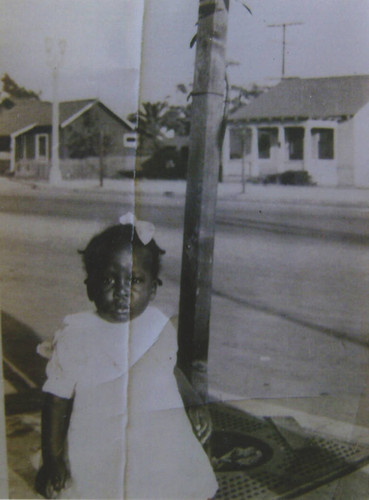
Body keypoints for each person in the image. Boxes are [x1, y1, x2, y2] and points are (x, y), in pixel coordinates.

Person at [35, 213, 218, 499]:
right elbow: (56, 400)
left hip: (160, 444)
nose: (122, 292)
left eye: (134, 280)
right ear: (89, 286)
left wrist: (193, 401)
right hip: (100, 445)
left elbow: (169, 369)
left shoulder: (158, 327)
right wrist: (53, 459)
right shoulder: (78, 335)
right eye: (108, 280)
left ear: (154, 288)